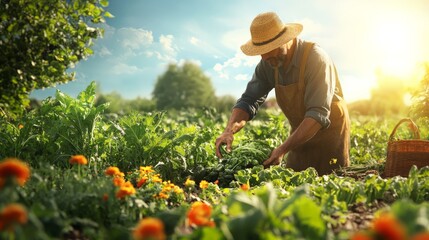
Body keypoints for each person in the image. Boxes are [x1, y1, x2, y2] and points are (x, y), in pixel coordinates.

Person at [215, 12, 350, 175]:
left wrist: (282, 149)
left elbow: (317, 114)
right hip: (299, 135)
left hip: (329, 136)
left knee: (330, 182)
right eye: (260, 51)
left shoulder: (315, 59)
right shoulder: (268, 62)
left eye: (269, 49)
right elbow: (249, 100)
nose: (264, 57)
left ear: (285, 40)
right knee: (294, 181)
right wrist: (229, 130)